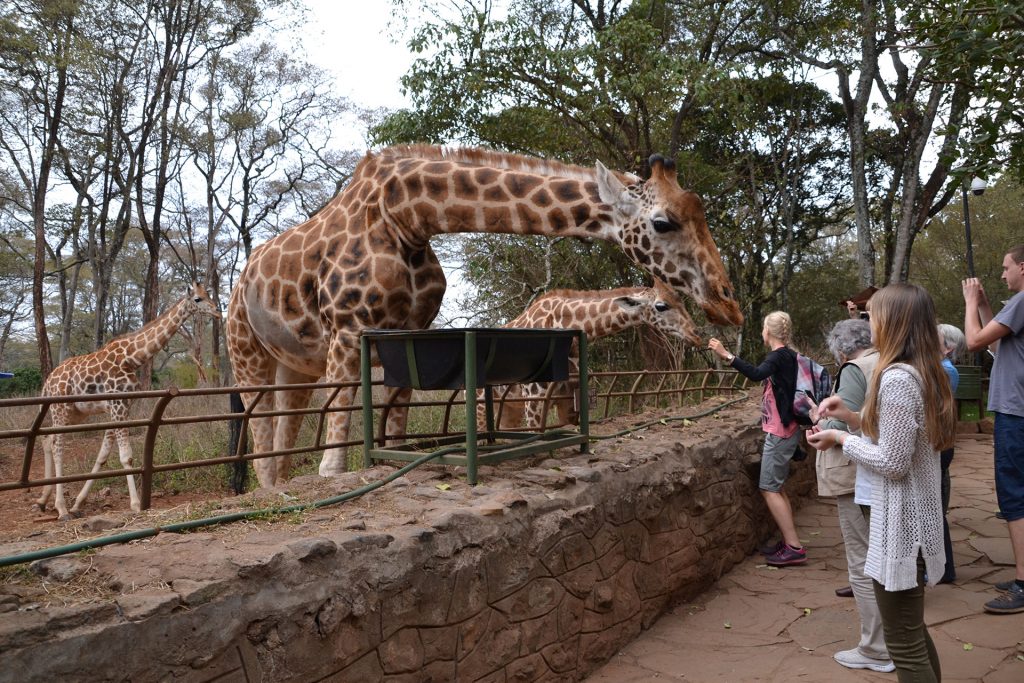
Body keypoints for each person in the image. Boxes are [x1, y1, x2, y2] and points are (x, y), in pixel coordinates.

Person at [808, 284, 957, 682]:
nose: (866, 320)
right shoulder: (925, 370)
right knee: (913, 633)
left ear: (893, 320)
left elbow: (892, 462)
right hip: (915, 521)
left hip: (900, 527)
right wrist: (854, 418)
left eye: (872, 313)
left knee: (904, 644)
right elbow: (901, 439)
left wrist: (841, 438)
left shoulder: (896, 378)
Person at [812, 318, 894, 673]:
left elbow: (849, 420)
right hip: (884, 474)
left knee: (862, 563)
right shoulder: (889, 361)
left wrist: (824, 427)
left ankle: (876, 649)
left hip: (857, 473)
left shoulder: (854, 369)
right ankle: (894, 641)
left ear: (841, 349)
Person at [708, 311, 806, 567]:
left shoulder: (778, 356)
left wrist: (726, 355)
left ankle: (794, 547)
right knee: (777, 486)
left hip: (780, 431)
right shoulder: (790, 355)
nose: (762, 332)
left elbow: (756, 374)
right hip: (787, 428)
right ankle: (789, 541)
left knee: (769, 488)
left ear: (768, 332)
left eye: (763, 328)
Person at [963, 244, 1024, 614]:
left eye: (1006, 268)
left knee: (1015, 498)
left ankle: (1022, 583)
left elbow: (974, 341)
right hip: (1018, 413)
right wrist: (986, 305)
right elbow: (999, 342)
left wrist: (970, 302)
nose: (1003, 274)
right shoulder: (1016, 306)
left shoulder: (1022, 301)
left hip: (1015, 415)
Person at [937, 323, 966, 584]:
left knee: (934, 507)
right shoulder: (942, 369)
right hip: (942, 443)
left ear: (949, 348)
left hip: (940, 444)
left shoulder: (946, 371)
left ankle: (944, 567)